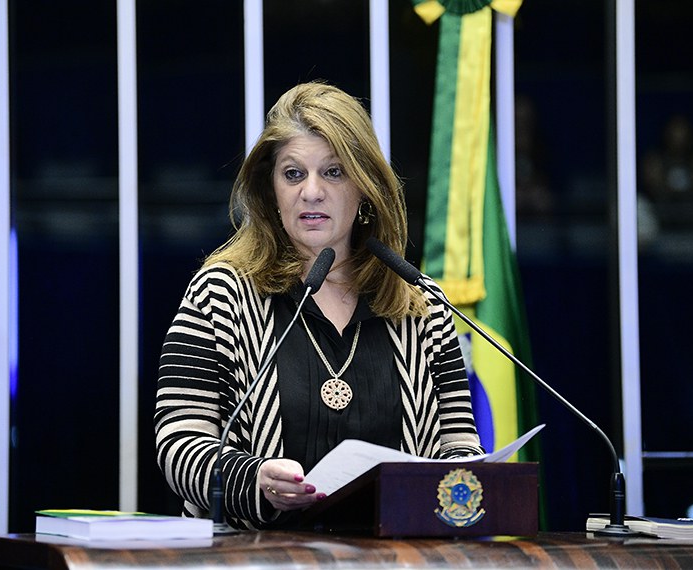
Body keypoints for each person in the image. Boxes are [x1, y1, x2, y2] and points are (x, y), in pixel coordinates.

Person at [155, 81, 484, 530]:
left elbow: (459, 441)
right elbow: (179, 440)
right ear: (270, 190)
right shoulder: (221, 292)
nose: (311, 192)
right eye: (293, 174)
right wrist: (254, 481)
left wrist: (467, 475)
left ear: (365, 186)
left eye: (333, 172)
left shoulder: (422, 303)